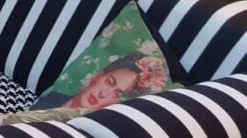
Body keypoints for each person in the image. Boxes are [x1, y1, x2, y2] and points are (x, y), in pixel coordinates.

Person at [30, 52, 172, 110]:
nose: (103, 94)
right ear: (97, 76)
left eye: (117, 94)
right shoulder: (52, 98)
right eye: (109, 82)